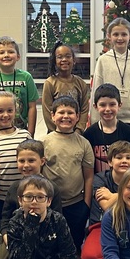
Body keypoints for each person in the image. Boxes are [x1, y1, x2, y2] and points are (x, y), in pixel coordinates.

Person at [0, 176, 94, 259]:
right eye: (28, 197)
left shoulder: (57, 220)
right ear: (20, 200)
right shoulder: (14, 222)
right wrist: (30, 228)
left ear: (48, 201)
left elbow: (70, 256)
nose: (34, 202)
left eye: (40, 197)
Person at [42, 95, 94, 249]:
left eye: (70, 113)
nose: (66, 116)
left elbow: (89, 176)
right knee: (51, 245)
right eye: (61, 112)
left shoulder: (84, 144)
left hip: (76, 204)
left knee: (74, 244)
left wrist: (86, 204)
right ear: (52, 116)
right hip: (49, 205)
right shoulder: (43, 142)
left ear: (77, 117)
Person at [84, 141, 130, 259]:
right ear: (110, 162)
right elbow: (107, 207)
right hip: (101, 225)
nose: (124, 161)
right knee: (90, 257)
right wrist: (127, 194)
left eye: (128, 157)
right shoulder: (99, 179)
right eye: (119, 157)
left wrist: (114, 195)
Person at [0, 90, 33, 224]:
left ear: (15, 111)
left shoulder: (24, 135)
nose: (5, 115)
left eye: (10, 110)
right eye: (0, 111)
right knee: (0, 231)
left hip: (24, 195)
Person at [92, 17, 130, 131]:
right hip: (108, 120)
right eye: (116, 34)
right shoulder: (103, 60)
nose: (120, 38)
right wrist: (95, 123)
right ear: (109, 36)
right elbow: (96, 91)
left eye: (124, 34)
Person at [0, 35, 38, 134]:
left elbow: (32, 107)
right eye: (1, 52)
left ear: (18, 56)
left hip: (21, 131)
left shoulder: (26, 77)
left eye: (11, 52)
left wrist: (30, 134)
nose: (6, 55)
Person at [83, 83, 130, 172]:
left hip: (123, 182)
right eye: (103, 105)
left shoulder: (129, 132)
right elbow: (87, 166)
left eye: (112, 104)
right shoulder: (90, 133)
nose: (107, 109)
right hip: (98, 183)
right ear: (95, 107)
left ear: (119, 105)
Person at [1, 140, 60, 229]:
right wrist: (7, 237)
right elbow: (5, 220)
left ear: (42, 161)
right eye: (21, 161)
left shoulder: (52, 187)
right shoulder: (14, 188)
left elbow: (57, 220)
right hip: (18, 238)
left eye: (31, 160)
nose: (26, 165)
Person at [41, 42, 90, 132]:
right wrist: (56, 131)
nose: (64, 59)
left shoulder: (80, 83)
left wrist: (79, 130)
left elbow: (84, 110)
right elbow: (47, 112)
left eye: (68, 56)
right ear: (54, 61)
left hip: (76, 133)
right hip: (56, 132)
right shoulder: (50, 83)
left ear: (74, 60)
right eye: (60, 57)